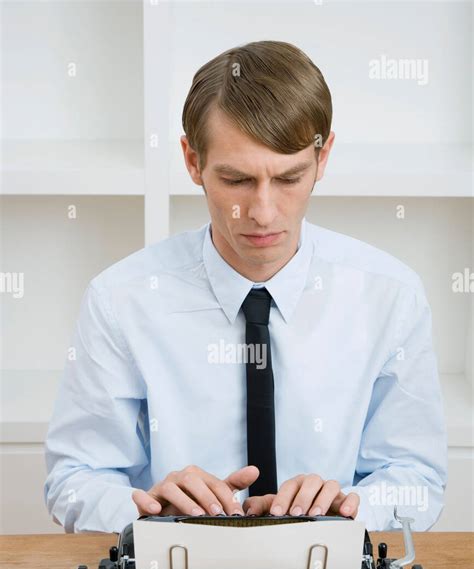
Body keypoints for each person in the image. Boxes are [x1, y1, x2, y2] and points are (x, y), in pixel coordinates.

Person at [44, 41, 447, 533]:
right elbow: (73, 480)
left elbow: (417, 479)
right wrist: (146, 510)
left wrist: (349, 506)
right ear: (193, 162)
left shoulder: (390, 296)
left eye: (289, 178)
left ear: (323, 159)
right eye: (236, 180)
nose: (262, 212)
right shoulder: (120, 299)